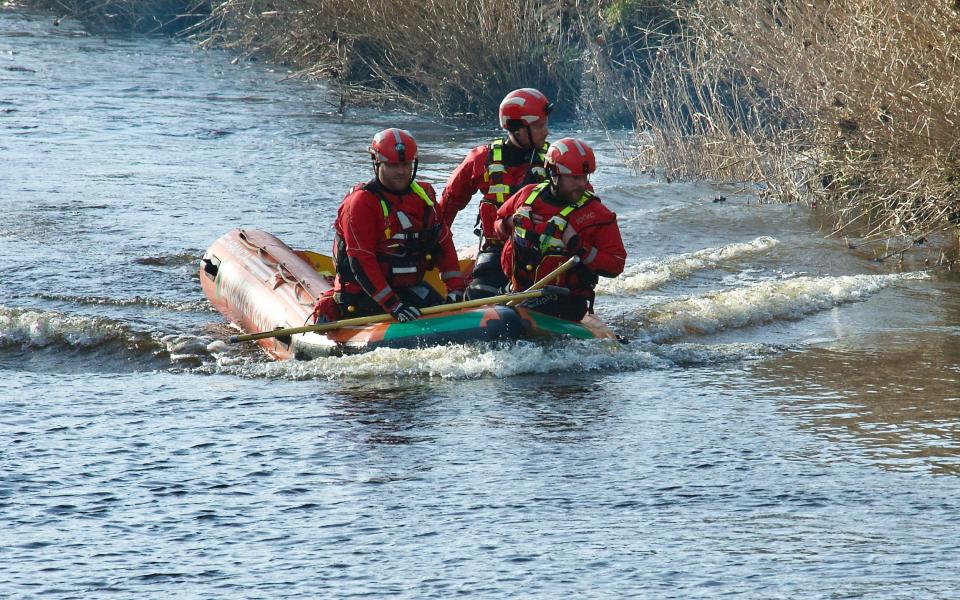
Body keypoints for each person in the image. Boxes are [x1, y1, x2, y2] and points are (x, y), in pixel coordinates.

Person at [312, 128, 466, 324]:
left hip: (408, 288)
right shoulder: (361, 203)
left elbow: (443, 242)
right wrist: (393, 304)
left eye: (405, 164)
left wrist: (455, 289)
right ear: (377, 163)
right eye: (393, 165)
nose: (401, 171)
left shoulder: (424, 196)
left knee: (448, 318)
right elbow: (361, 260)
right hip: (362, 293)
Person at [493, 138, 626, 321]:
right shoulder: (527, 196)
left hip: (565, 304)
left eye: (584, 177)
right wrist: (510, 222)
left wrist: (577, 246)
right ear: (554, 173)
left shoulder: (597, 214)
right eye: (574, 177)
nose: (581, 184)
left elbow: (616, 264)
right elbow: (497, 227)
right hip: (518, 293)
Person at [438, 88, 553, 299]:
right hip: (497, 251)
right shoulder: (481, 159)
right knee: (479, 294)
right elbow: (448, 205)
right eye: (539, 126)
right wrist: (435, 251)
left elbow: (581, 203)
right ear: (517, 129)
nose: (546, 132)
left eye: (545, 124)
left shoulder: (554, 160)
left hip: (542, 253)